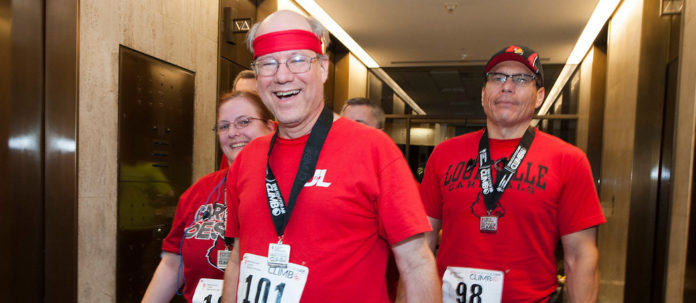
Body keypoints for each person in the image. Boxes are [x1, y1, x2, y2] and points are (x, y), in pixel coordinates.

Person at [222, 10, 440, 303]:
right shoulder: (247, 160)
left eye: (298, 59)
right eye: (268, 64)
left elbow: (416, 263)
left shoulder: (374, 150)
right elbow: (237, 257)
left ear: (323, 68)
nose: (282, 76)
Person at [419, 45, 606, 302]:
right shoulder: (443, 155)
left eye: (521, 79)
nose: (507, 86)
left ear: (539, 96)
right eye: (497, 77)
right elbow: (420, 247)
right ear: (484, 94)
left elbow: (581, 257)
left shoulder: (569, 160)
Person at [142, 91, 275, 303]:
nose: (232, 132)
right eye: (224, 126)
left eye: (244, 122)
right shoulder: (199, 191)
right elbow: (172, 263)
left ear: (270, 126)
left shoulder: (292, 190)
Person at [220, 70, 258, 170]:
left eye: (253, 95)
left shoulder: (282, 134)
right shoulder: (231, 141)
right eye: (240, 95)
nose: (245, 101)